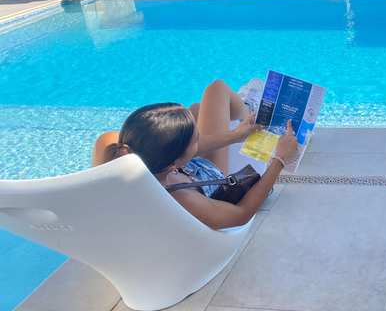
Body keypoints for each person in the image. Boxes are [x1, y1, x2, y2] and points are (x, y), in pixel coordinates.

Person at [92, 79, 298, 230]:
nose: (198, 140)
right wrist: (280, 159)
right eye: (195, 139)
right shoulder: (183, 198)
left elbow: (173, 151)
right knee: (216, 90)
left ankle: (245, 112)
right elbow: (241, 215)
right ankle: (247, 108)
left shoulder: (116, 154)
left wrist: (235, 136)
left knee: (197, 109)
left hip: (184, 171)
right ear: (174, 162)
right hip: (207, 177)